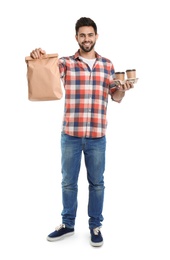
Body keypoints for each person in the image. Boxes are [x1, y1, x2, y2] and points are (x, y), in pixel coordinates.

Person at [30, 17, 134, 247]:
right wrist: (38, 56)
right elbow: (45, 73)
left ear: (96, 36)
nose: (86, 39)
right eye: (82, 35)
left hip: (97, 136)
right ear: (76, 37)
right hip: (71, 135)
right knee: (68, 182)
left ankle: (95, 225)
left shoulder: (107, 65)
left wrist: (123, 90)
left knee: (97, 183)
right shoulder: (66, 63)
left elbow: (115, 96)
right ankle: (68, 224)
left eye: (90, 35)